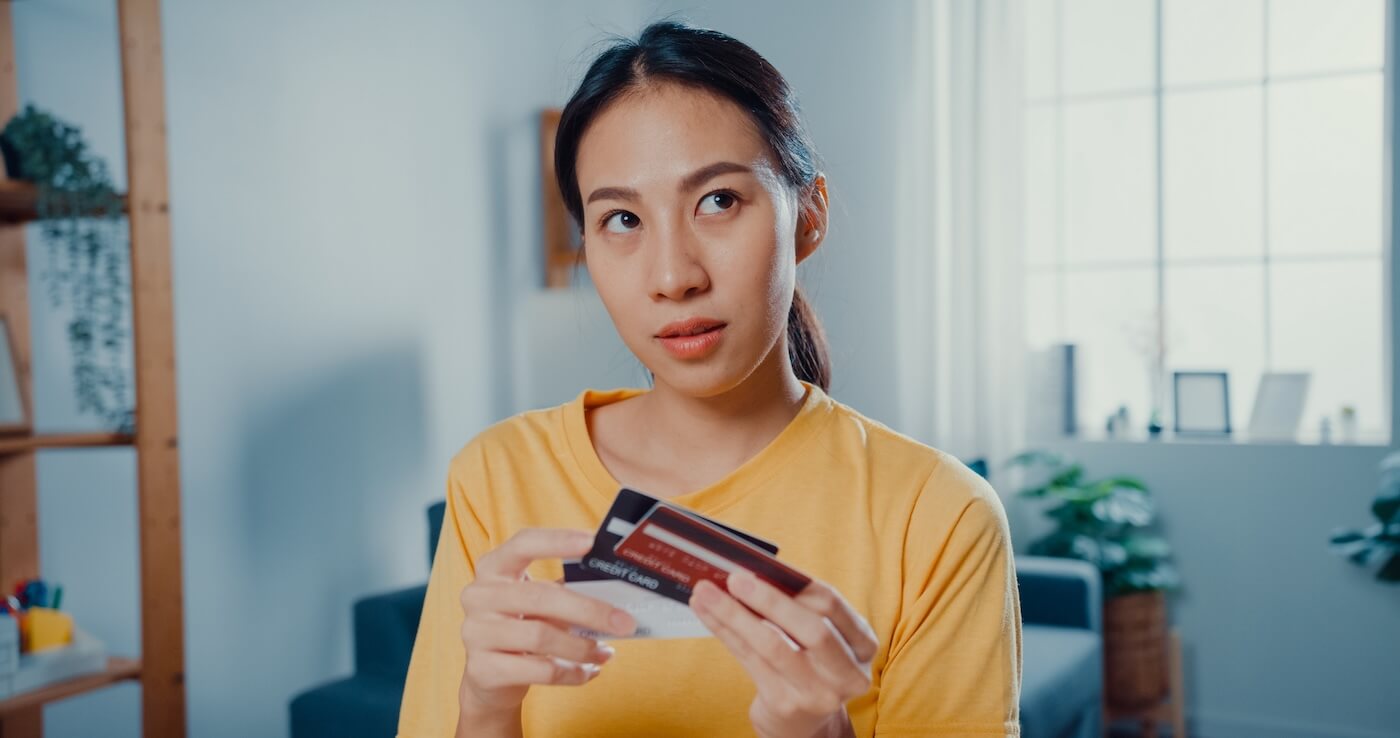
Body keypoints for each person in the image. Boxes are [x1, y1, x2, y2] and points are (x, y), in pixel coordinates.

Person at [397, 20, 1021, 738]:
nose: (673, 276)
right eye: (622, 219)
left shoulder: (939, 517)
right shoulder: (497, 476)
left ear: (808, 217)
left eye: (719, 201)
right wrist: (484, 707)